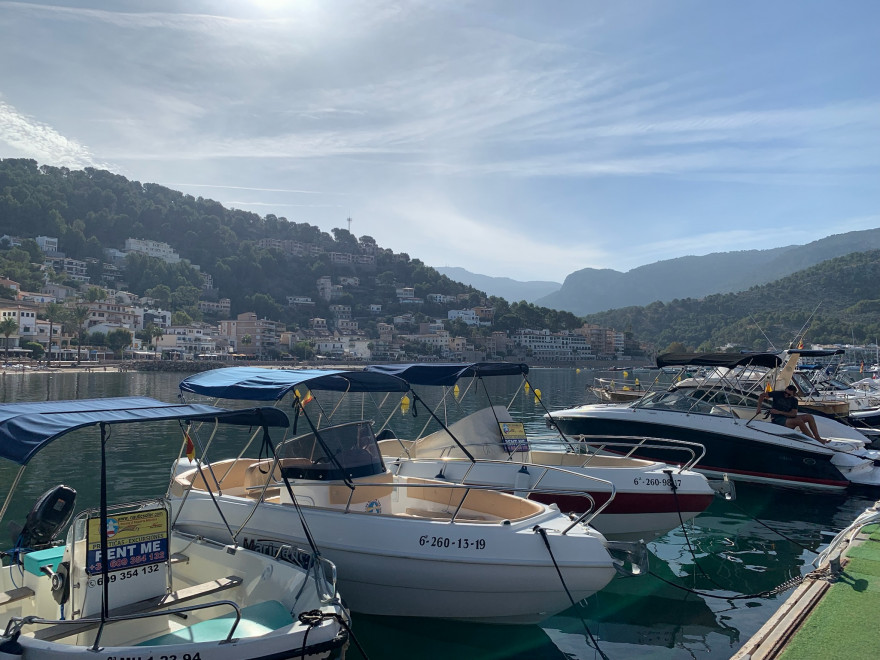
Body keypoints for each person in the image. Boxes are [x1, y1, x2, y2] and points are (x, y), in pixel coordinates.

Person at [757, 384, 826, 444]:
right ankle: (813, 440)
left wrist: (779, 412)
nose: (786, 395)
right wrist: (759, 408)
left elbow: (793, 414)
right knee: (799, 421)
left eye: (789, 394)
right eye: (785, 393)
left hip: (787, 417)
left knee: (809, 417)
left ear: (793, 394)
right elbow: (762, 395)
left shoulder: (794, 400)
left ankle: (818, 438)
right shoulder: (778, 394)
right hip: (778, 419)